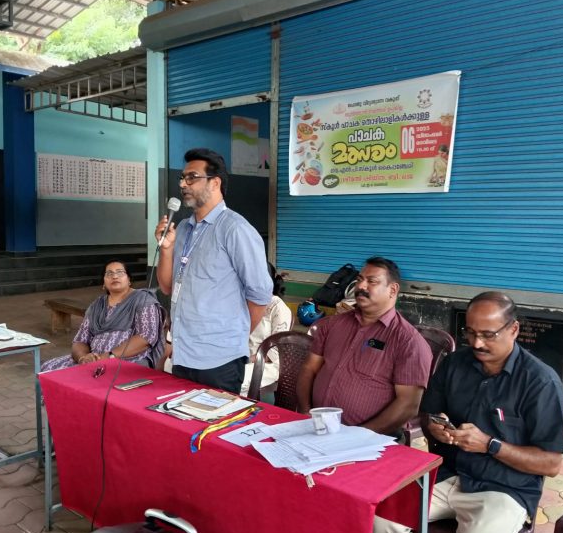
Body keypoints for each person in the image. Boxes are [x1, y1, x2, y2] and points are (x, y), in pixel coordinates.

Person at [373, 291, 563, 533]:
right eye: (471, 333)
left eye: (488, 335)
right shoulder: (455, 364)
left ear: (513, 329)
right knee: (381, 517)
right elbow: (429, 415)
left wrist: (490, 445)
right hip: (447, 474)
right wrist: (435, 428)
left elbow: (551, 464)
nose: (477, 343)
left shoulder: (540, 382)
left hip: (504, 489)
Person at [154, 148, 272, 393]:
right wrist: (166, 249)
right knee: (181, 416)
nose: (183, 184)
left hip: (220, 360)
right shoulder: (183, 228)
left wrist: (232, 336)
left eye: (192, 177)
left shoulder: (235, 229)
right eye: (182, 178)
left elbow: (260, 296)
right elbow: (166, 287)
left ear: (215, 183)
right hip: (183, 352)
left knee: (213, 418)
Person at [296, 256, 432, 436]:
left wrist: (358, 436)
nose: (361, 286)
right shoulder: (331, 325)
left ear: (393, 290)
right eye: (359, 279)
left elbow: (408, 405)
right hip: (316, 428)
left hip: (370, 439)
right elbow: (309, 368)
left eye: (371, 281)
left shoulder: (408, 342)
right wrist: (305, 412)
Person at [40, 260, 164, 372]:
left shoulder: (143, 300)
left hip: (127, 359)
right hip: (94, 358)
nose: (114, 276)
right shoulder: (97, 305)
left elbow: (146, 337)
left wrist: (109, 356)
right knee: (48, 369)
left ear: (129, 280)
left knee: (92, 379)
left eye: (120, 272)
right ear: (104, 283)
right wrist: (83, 358)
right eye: (109, 273)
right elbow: (80, 340)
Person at [240, 262, 293, 397]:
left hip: (266, 363)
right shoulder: (242, 301)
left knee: (236, 379)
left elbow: (277, 350)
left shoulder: (278, 307)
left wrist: (248, 359)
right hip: (241, 358)